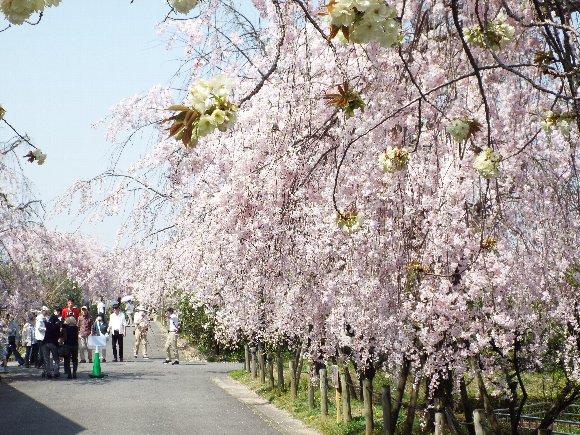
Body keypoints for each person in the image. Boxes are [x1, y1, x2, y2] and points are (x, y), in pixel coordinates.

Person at [42, 314, 61, 379]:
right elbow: (58, 335)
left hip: (45, 343)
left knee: (46, 359)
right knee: (56, 359)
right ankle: (56, 373)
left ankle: (48, 373)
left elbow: (44, 321)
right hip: (53, 343)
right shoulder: (57, 326)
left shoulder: (47, 325)